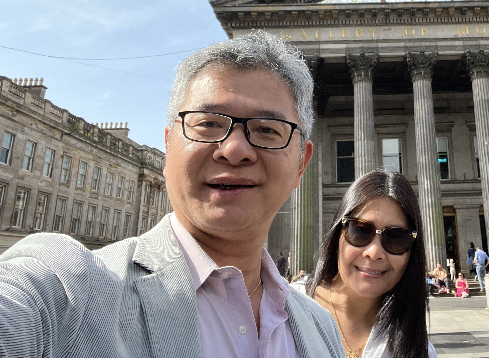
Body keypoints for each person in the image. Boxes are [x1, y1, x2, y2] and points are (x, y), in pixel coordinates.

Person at [0, 31, 343, 357]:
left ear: (301, 164)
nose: (234, 149)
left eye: (267, 130)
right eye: (208, 123)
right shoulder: (68, 285)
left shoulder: (322, 327)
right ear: (168, 147)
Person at [308, 170, 436, 358]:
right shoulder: (281, 310)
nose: (374, 253)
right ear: (338, 234)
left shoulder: (417, 350)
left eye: (396, 237)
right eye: (360, 230)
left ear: (412, 252)